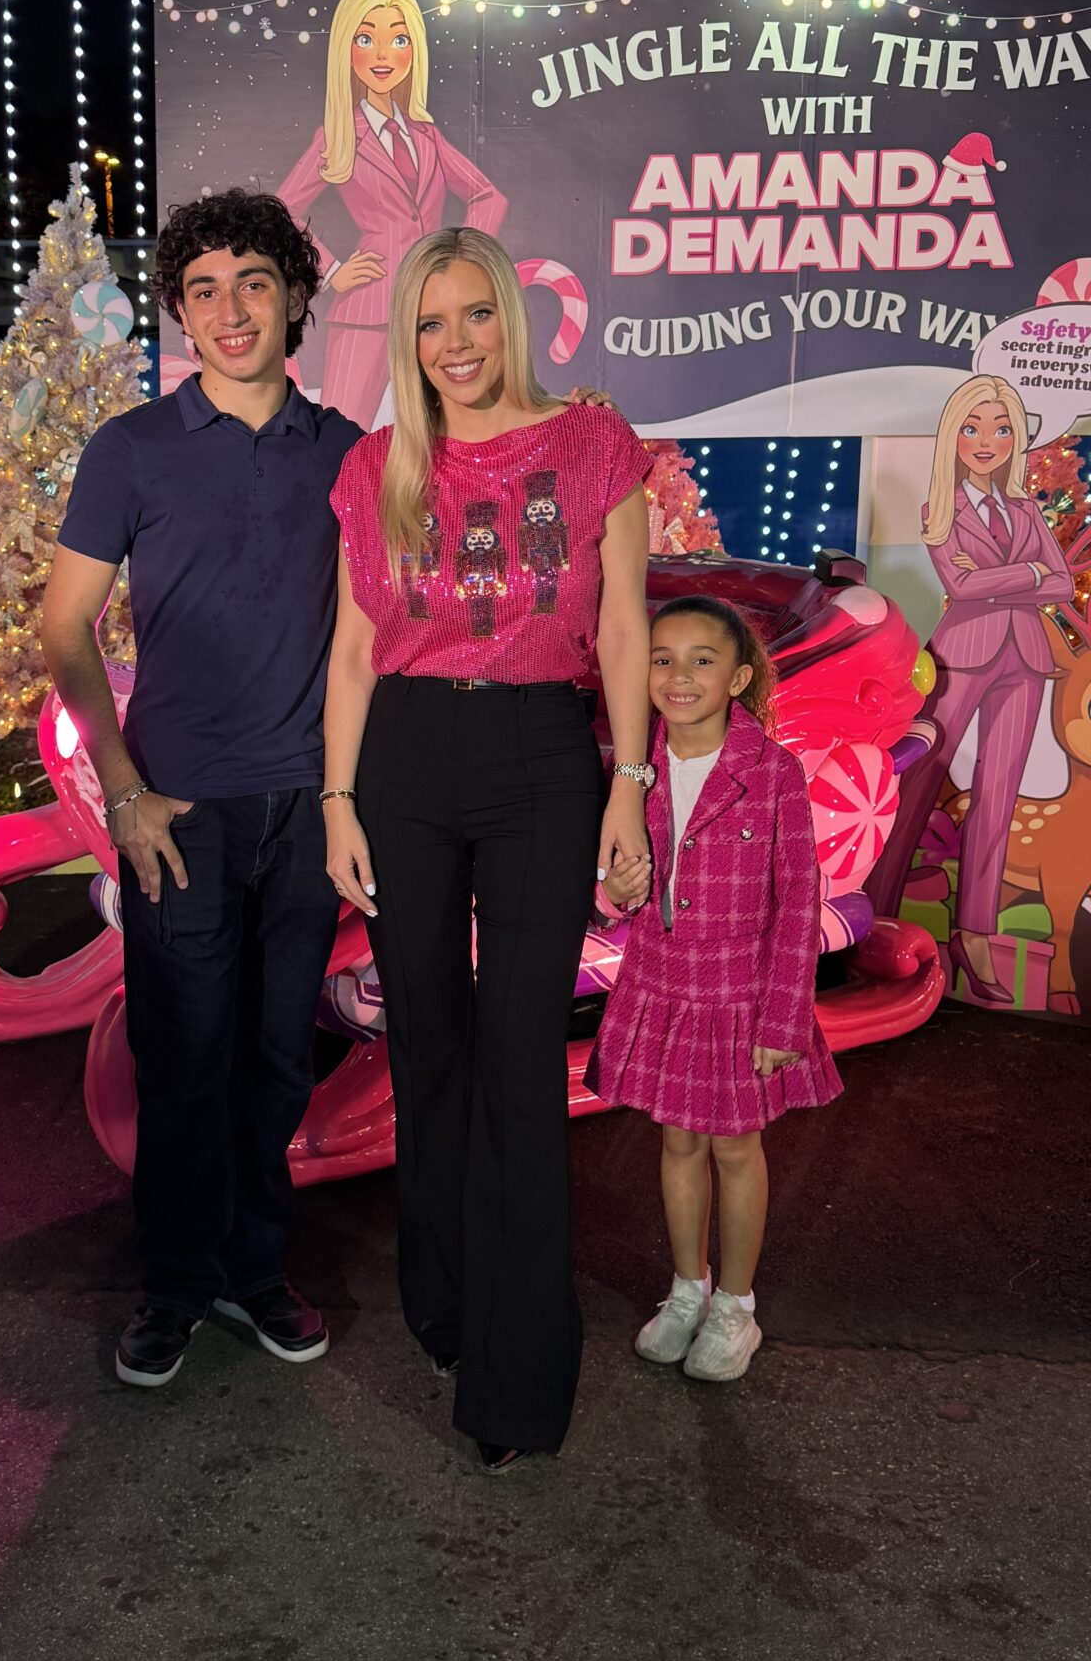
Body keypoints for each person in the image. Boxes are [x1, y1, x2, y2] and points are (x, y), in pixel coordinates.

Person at [322, 227, 654, 1473]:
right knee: (426, 1040)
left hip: (540, 758)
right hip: (403, 759)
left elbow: (623, 629)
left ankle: (517, 1377)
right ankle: (444, 1304)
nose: (453, 343)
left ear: (508, 317)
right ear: (405, 338)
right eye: (428, 321)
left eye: (472, 315)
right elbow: (353, 650)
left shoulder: (593, 443)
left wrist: (629, 786)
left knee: (519, 1057)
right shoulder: (376, 465)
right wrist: (337, 799)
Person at [42, 190, 360, 1389]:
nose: (231, 310)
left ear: (296, 298)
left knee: (278, 1057)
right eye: (204, 290)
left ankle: (252, 1269)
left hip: (305, 806)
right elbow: (65, 629)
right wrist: (123, 790)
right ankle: (175, 1283)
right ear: (180, 312)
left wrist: (348, 796)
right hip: (176, 809)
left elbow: (372, 638)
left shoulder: (347, 451)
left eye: (255, 283)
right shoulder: (131, 449)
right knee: (182, 1056)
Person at [588, 596, 841, 1383]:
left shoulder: (772, 771)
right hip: (662, 984)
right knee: (677, 1143)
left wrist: (783, 1017)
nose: (679, 675)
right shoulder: (634, 770)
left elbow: (799, 900)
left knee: (735, 1148)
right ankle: (687, 1290)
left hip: (742, 994)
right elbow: (615, 885)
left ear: (736, 678)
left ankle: (736, 1306)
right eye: (662, 658)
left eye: (702, 659)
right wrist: (616, 891)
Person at [865, 375, 1073, 1004]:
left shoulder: (1027, 511)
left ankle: (975, 933)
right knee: (917, 781)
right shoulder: (940, 508)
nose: (987, 441)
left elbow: (1062, 584)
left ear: (1016, 439)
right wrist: (1029, 573)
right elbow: (962, 587)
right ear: (954, 436)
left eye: (1001, 428)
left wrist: (1007, 577)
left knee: (998, 797)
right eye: (973, 427)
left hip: (1025, 657)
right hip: (960, 656)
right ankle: (876, 914)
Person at [278, 0, 507, 429]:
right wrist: (333, 270)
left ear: (413, 51)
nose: (383, 55)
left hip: (431, 313)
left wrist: (458, 261)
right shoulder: (340, 135)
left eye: (398, 39)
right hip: (366, 310)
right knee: (341, 437)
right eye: (366, 39)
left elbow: (487, 196)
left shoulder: (426, 135)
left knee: (446, 437)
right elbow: (282, 210)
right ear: (346, 49)